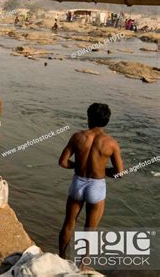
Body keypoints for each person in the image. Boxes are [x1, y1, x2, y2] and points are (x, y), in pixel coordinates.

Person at [58, 103, 124, 259]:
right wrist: (102, 171)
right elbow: (120, 172)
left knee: (68, 223)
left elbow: (62, 162)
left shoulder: (78, 137)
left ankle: (61, 257)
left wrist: (78, 166)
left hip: (78, 182)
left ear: (88, 118)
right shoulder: (111, 143)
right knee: (90, 229)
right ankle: (83, 264)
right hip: (96, 185)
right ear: (107, 121)